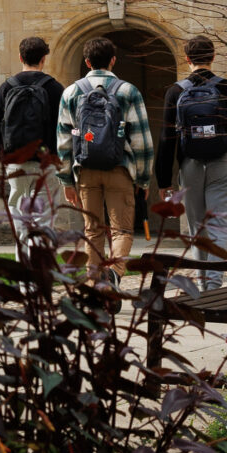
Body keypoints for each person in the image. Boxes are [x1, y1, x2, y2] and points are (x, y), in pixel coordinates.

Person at [156, 33, 227, 293]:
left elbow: (166, 138)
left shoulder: (175, 92)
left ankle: (204, 284)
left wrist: (164, 179)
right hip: (221, 163)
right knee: (219, 226)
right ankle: (214, 287)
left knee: (197, 228)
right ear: (213, 57)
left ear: (187, 59)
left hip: (190, 165)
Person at [56, 35, 155, 286]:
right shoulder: (128, 91)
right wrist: (143, 180)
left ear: (87, 62)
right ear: (113, 60)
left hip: (86, 169)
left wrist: (66, 180)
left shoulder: (71, 92)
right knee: (121, 229)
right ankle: (114, 272)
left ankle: (93, 283)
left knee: (92, 229)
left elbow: (64, 141)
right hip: (120, 169)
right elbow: (142, 141)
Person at [0, 35, 63, 245]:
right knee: (43, 219)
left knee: (20, 220)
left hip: (16, 163)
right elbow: (63, 128)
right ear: (43, 59)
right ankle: (36, 270)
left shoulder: (7, 87)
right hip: (45, 163)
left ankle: (25, 273)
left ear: (21, 57)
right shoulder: (55, 88)